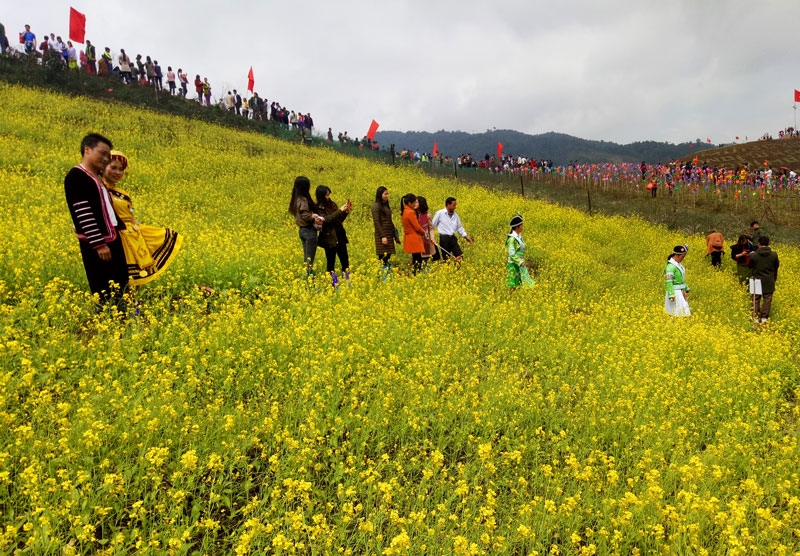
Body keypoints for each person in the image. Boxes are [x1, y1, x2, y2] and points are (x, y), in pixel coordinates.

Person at [64, 133, 129, 306]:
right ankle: (107, 319)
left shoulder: (97, 179)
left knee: (120, 281)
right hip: (99, 243)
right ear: (87, 149)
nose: (106, 158)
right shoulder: (77, 176)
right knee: (103, 284)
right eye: (103, 153)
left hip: (112, 237)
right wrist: (99, 244)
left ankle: (123, 317)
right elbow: (83, 213)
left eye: (108, 155)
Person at [102, 151, 183, 286]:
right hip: (116, 236)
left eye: (121, 169)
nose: (117, 172)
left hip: (133, 237)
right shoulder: (98, 189)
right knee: (121, 275)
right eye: (113, 167)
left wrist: (138, 227)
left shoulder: (123, 194)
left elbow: (131, 216)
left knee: (138, 273)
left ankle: (132, 304)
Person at [314, 185, 352, 288]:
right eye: (327, 195)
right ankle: (334, 285)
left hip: (340, 235)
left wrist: (345, 213)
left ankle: (348, 283)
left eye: (329, 194)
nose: (328, 196)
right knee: (331, 263)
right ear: (321, 195)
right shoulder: (318, 207)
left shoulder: (332, 204)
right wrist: (340, 210)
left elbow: (338, 220)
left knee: (345, 262)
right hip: (329, 238)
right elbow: (326, 220)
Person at [288, 176, 323, 276]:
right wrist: (313, 216)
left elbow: (296, 213)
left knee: (307, 257)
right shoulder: (303, 200)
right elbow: (306, 215)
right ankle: (309, 278)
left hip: (302, 231)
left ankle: (307, 277)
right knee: (310, 259)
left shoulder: (295, 199)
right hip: (309, 231)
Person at [432, 196, 473, 262]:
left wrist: (466, 237)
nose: (455, 207)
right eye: (454, 205)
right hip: (444, 239)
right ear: (448, 204)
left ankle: (458, 270)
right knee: (446, 259)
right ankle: (447, 270)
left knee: (460, 256)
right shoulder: (439, 213)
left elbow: (459, 228)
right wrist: (431, 238)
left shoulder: (455, 216)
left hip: (453, 239)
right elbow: (432, 226)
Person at [748, 236, 779, 323]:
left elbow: (749, 266)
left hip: (756, 279)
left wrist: (751, 256)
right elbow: (776, 266)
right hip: (769, 279)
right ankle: (764, 317)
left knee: (756, 298)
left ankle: (755, 316)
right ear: (768, 243)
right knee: (767, 298)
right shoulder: (774, 255)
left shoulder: (754, 255)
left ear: (759, 244)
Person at [372, 186, 400, 281]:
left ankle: (388, 277)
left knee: (388, 256)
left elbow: (390, 221)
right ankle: (383, 278)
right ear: (380, 195)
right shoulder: (376, 206)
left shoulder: (385, 205)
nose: (387, 196)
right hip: (382, 235)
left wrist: (395, 235)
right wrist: (382, 236)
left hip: (389, 234)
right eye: (385, 194)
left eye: (387, 193)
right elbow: (376, 222)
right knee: (382, 256)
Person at [506, 214, 535, 289]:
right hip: (514, 264)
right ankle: (510, 298)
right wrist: (520, 262)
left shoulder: (518, 236)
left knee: (520, 284)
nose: (522, 227)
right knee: (513, 284)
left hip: (519, 263)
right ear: (517, 227)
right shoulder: (512, 239)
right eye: (521, 225)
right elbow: (512, 254)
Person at [401, 194, 426, 275]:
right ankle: (417, 274)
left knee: (415, 257)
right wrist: (423, 232)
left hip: (409, 237)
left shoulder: (405, 211)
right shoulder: (411, 212)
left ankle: (415, 273)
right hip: (414, 238)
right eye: (414, 202)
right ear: (409, 203)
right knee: (418, 258)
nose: (415, 204)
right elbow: (417, 226)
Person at [665, 245, 691, 317]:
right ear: (676, 255)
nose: (682, 259)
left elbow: (681, 280)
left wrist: (686, 287)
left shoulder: (678, 265)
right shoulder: (670, 267)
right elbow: (669, 282)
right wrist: (671, 295)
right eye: (682, 257)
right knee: (678, 313)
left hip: (681, 292)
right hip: (675, 293)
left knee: (683, 312)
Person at [416, 196, 437, 264]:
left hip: (425, 240)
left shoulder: (427, 215)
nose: (414, 203)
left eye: (416, 202)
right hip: (416, 240)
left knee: (425, 260)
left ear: (421, 203)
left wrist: (433, 238)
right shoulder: (413, 214)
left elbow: (431, 228)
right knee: (416, 260)